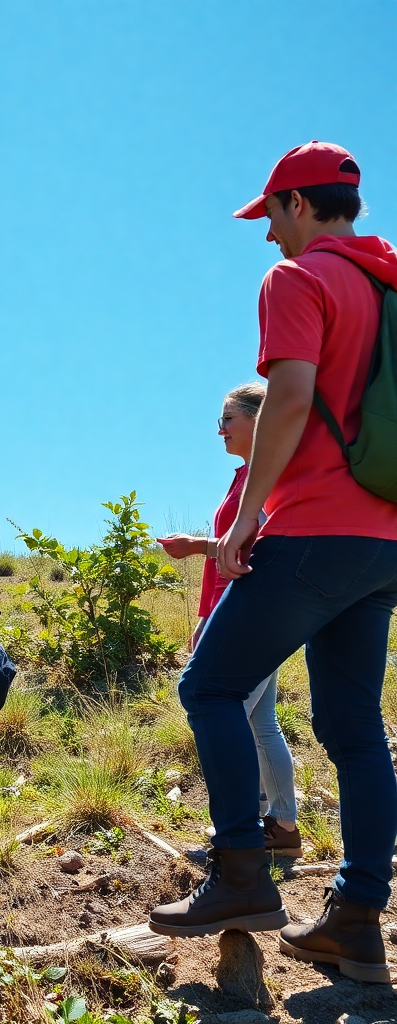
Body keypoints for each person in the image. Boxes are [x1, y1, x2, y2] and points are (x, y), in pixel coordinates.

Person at [148, 142, 397, 985]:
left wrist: (249, 513)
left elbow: (288, 398)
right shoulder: (390, 283)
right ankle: (357, 921)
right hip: (385, 542)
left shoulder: (298, 278)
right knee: (355, 729)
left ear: (297, 203)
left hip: (315, 526)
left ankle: (241, 876)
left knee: (210, 688)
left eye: (271, 215)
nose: (268, 236)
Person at [157, 383, 300, 855]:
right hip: (236, 612)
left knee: (226, 714)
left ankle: (244, 831)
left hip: (253, 614)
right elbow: (224, 560)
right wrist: (205, 617)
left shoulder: (271, 477)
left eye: (228, 419)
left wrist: (195, 545)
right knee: (260, 722)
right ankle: (278, 826)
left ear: (260, 420)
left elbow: (259, 549)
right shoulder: (244, 477)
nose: (220, 430)